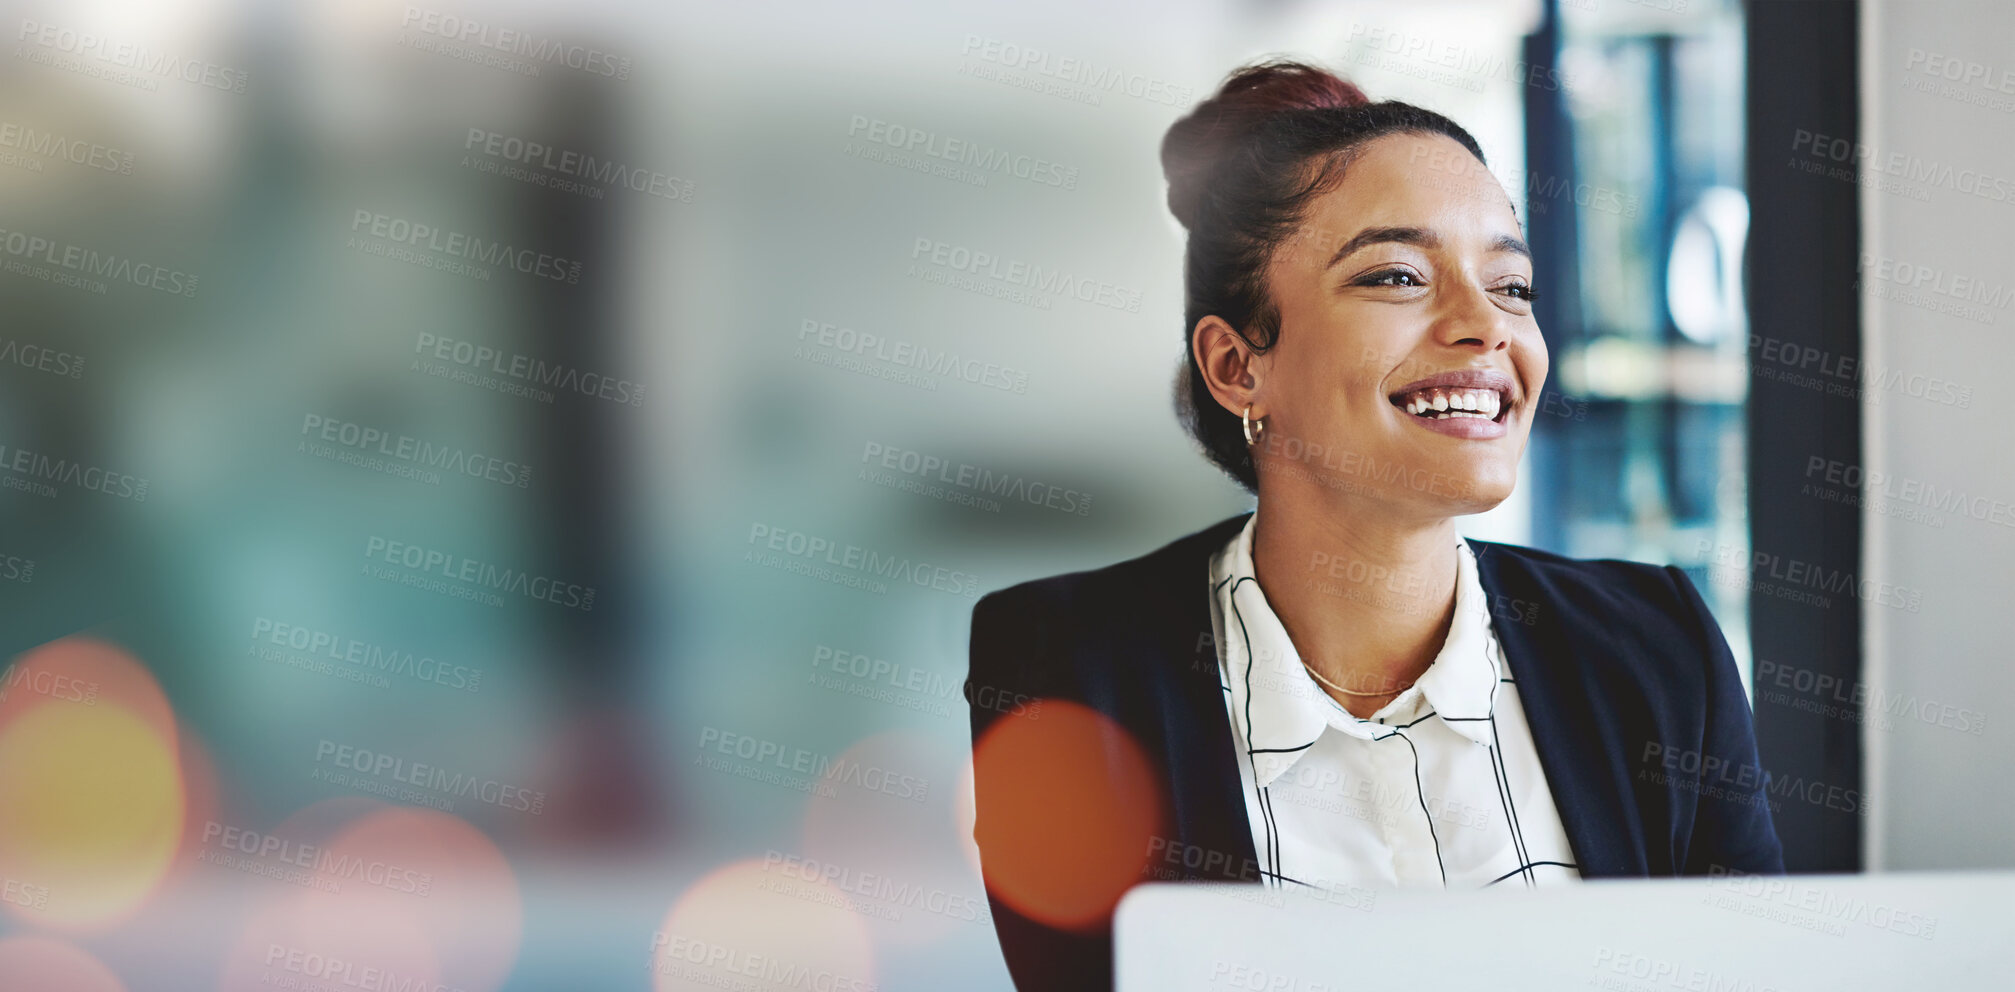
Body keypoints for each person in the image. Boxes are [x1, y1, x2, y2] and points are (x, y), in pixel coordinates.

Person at [963, 59, 1783, 992]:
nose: (1485, 326)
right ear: (1237, 365)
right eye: (1397, 275)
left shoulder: (1654, 645)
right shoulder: (1066, 666)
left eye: (1512, 286)